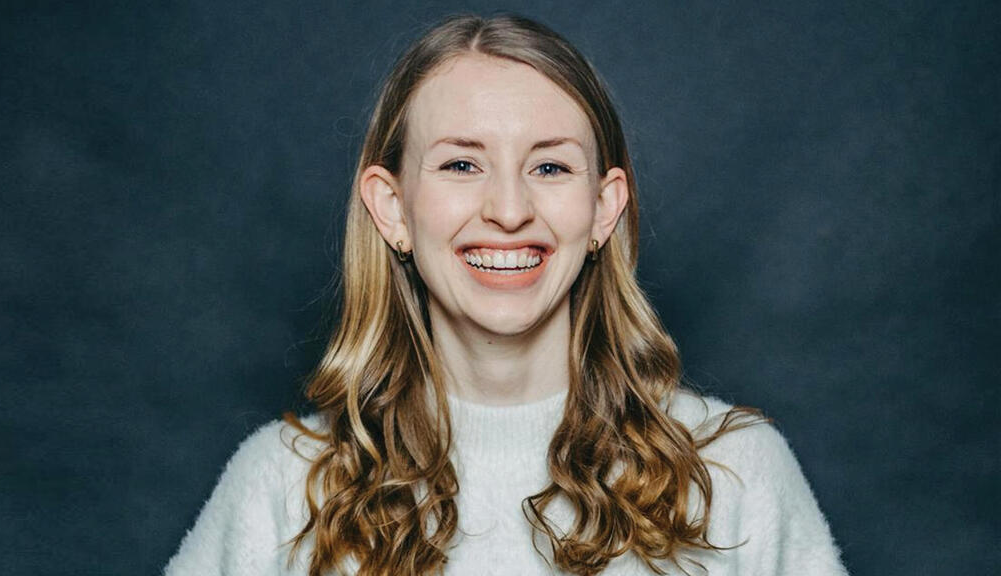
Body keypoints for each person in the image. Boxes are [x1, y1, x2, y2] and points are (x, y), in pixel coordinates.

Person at [165, 14, 847, 576]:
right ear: (393, 207)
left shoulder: (735, 476)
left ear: (603, 209)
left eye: (549, 166)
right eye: (462, 164)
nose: (510, 209)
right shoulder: (280, 491)